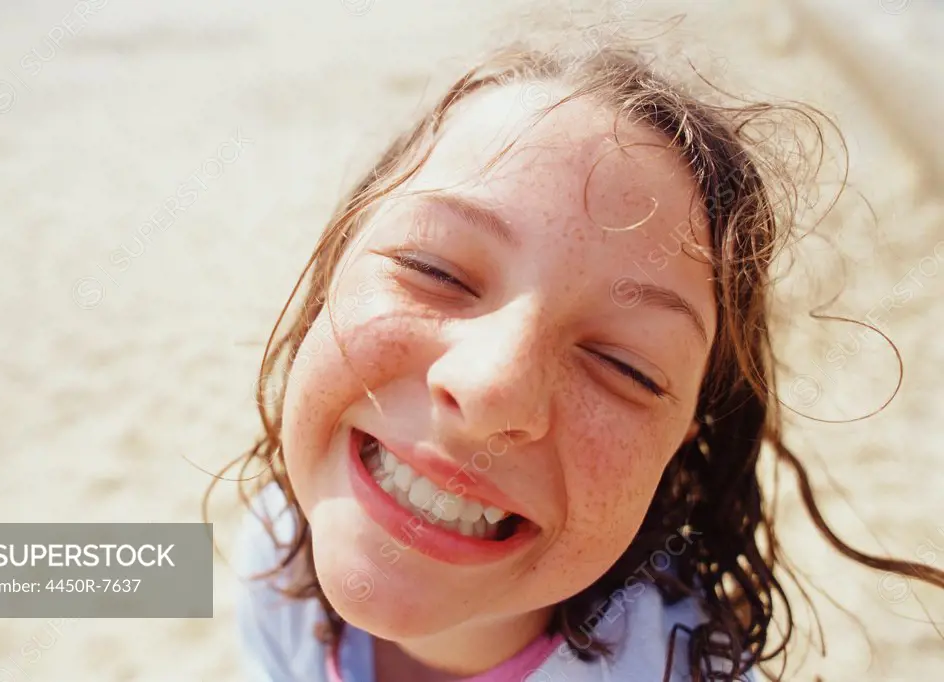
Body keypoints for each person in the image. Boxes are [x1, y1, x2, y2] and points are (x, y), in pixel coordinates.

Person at [216, 40, 944, 681]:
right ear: (329, 270)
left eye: (623, 365)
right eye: (434, 269)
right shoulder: (274, 536)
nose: (493, 387)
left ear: (682, 446)